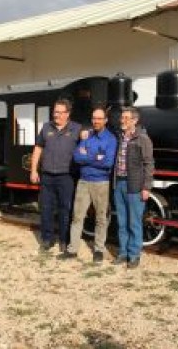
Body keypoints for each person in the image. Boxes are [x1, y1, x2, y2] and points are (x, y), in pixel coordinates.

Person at [60, 106, 117, 263]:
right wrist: (96, 157)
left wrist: (88, 156)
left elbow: (107, 163)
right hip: (83, 181)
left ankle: (98, 249)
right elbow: (77, 157)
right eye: (94, 118)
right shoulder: (87, 136)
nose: (96, 121)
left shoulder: (111, 139)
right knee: (77, 217)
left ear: (105, 120)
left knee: (100, 218)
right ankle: (72, 250)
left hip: (101, 183)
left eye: (99, 118)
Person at [30, 98, 81, 252]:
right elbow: (38, 149)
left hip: (67, 177)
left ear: (68, 113)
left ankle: (64, 241)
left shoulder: (77, 129)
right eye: (55, 112)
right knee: (46, 208)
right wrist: (33, 170)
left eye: (60, 112)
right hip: (47, 176)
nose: (56, 115)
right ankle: (47, 239)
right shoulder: (46, 128)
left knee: (66, 210)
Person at [113, 106, 154, 268]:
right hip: (119, 184)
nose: (123, 120)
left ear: (135, 121)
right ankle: (123, 253)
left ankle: (134, 255)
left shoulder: (142, 139)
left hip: (135, 186)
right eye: (122, 118)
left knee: (134, 222)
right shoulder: (120, 137)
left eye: (126, 118)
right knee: (121, 222)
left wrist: (146, 187)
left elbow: (149, 164)